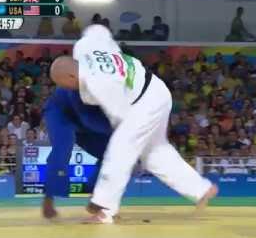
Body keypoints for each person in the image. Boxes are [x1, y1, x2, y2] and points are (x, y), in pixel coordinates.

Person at [50, 24, 217, 224]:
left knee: (120, 149)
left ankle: (104, 209)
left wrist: (99, 198)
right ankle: (200, 189)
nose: (67, 89)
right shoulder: (84, 47)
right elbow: (97, 31)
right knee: (154, 153)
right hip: (155, 89)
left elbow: (121, 118)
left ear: (71, 76)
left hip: (144, 102)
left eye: (64, 84)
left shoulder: (99, 85)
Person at [41, 87, 113, 219]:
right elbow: (88, 119)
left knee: (112, 154)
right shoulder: (90, 77)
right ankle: (49, 196)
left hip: (93, 116)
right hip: (61, 110)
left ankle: (97, 197)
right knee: (62, 148)